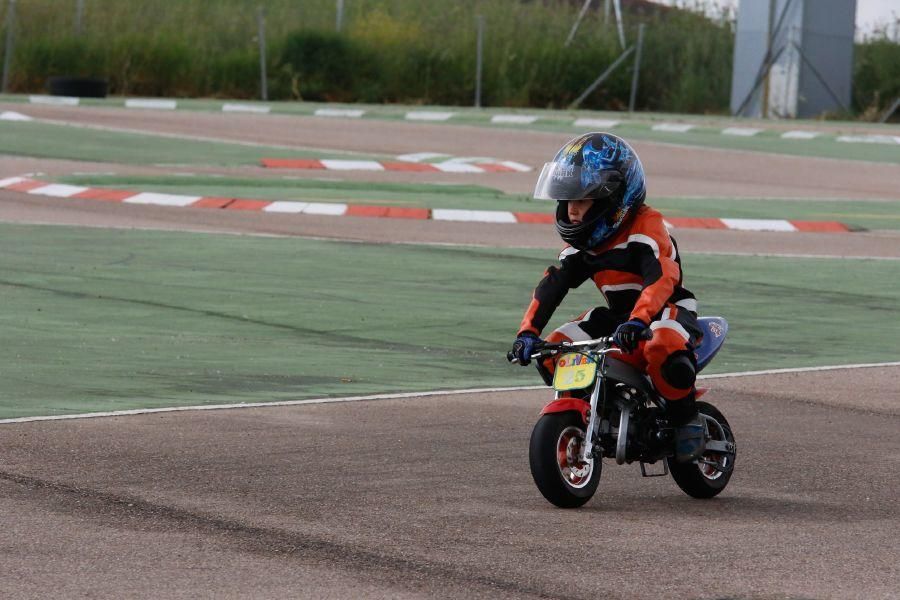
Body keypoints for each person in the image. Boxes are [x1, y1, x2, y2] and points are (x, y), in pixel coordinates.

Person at [509, 132, 705, 462]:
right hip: (619, 317)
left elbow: (661, 279)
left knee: (663, 345)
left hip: (665, 311)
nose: (571, 210)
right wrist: (527, 333)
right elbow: (553, 285)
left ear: (612, 200)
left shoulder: (646, 226)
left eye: (581, 200)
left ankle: (687, 420)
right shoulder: (585, 243)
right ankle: (589, 413)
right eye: (567, 200)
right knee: (553, 349)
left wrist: (639, 319)